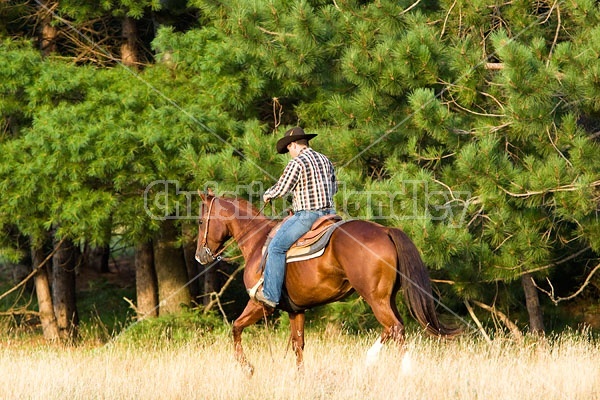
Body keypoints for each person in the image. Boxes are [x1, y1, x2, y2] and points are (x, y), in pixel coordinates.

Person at [255, 127, 337, 308]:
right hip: (331, 215)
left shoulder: (297, 162)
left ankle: (270, 294)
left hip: (308, 216)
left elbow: (282, 188)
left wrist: (268, 195)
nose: (289, 154)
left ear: (292, 145)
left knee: (276, 247)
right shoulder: (325, 160)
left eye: (288, 150)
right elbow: (334, 188)